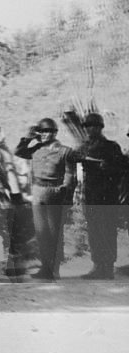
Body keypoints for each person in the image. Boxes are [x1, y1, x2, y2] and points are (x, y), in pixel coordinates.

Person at [15, 117, 82, 281]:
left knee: (54, 233)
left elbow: (70, 176)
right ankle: (45, 267)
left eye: (48, 131)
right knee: (41, 232)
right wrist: (28, 138)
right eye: (42, 131)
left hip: (55, 192)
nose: (44, 134)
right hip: (38, 191)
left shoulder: (65, 151)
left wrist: (67, 197)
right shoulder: (36, 148)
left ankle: (54, 270)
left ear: (55, 132)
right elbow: (18, 151)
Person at [76, 113, 127, 280]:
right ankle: (98, 265)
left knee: (108, 231)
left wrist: (107, 167)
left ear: (100, 128)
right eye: (87, 126)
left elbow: (121, 171)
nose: (90, 129)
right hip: (91, 195)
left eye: (94, 126)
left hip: (107, 196)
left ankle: (108, 267)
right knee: (94, 231)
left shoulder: (111, 147)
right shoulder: (84, 147)